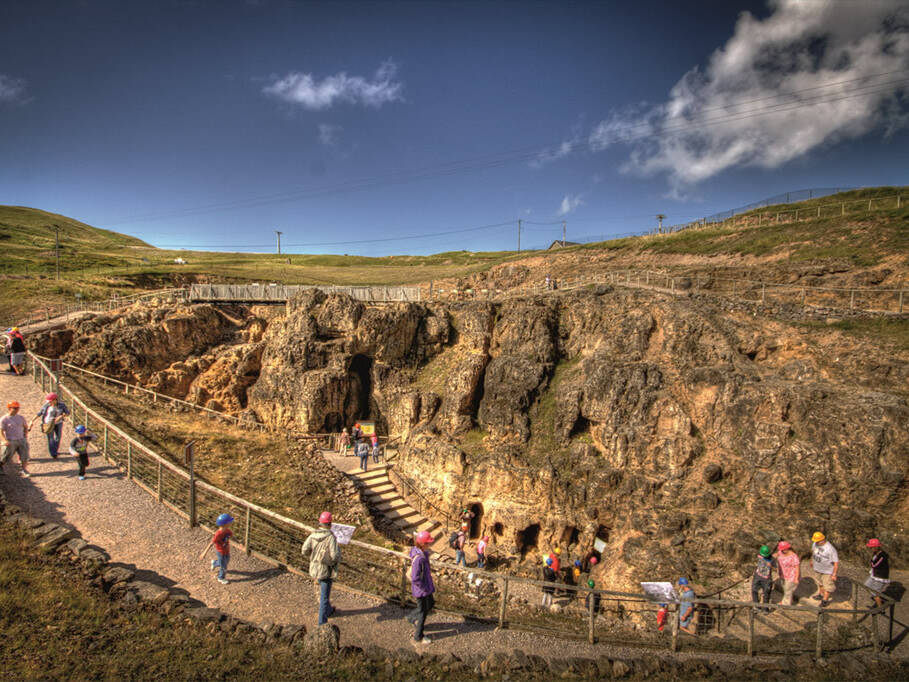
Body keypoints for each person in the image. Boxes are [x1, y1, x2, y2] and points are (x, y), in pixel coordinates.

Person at [301, 511, 341, 626]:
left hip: (314, 568)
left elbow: (304, 550)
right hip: (325, 570)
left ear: (320, 522)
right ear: (330, 524)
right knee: (324, 596)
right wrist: (332, 560)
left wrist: (313, 556)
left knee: (324, 592)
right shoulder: (330, 538)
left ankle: (328, 610)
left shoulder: (313, 535)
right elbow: (334, 556)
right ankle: (322, 624)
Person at [407, 530, 435, 644]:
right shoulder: (419, 559)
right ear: (423, 544)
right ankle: (418, 636)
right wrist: (423, 588)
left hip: (426, 587)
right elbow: (415, 578)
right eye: (428, 543)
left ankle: (412, 618)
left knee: (431, 603)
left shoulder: (422, 554)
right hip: (422, 590)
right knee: (423, 612)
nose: (430, 544)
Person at [29, 393, 69, 458]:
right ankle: (53, 453)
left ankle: (55, 449)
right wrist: (32, 420)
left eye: (50, 401)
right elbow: (40, 413)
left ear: (55, 400)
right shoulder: (46, 405)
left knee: (58, 437)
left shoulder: (62, 405)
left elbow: (67, 413)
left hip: (58, 423)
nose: (49, 403)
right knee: (50, 438)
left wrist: (61, 416)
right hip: (48, 423)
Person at [200, 513, 234, 585]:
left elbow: (231, 536)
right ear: (225, 524)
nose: (231, 523)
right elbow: (211, 543)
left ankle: (215, 563)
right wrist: (204, 552)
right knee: (224, 566)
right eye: (229, 521)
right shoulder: (218, 534)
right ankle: (221, 578)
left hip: (226, 550)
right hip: (221, 552)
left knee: (226, 561)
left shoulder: (227, 531)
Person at [0, 400, 31, 477]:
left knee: (25, 455)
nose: (17, 409)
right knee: (6, 456)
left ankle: (24, 470)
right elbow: (0, 431)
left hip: (21, 439)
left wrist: (25, 435)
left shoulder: (21, 418)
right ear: (9, 408)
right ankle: (0, 467)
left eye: (17, 408)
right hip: (10, 440)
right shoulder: (4, 419)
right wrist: (4, 440)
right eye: (15, 408)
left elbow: (25, 427)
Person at [810, 532, 838, 607]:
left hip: (827, 571)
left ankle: (824, 600)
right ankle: (821, 594)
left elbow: (835, 562)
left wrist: (834, 574)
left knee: (828, 586)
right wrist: (811, 560)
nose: (816, 542)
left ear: (822, 540)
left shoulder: (830, 549)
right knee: (819, 582)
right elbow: (813, 553)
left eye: (818, 541)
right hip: (817, 568)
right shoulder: (815, 544)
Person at [865, 538, 890, 608]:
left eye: (871, 547)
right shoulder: (875, 553)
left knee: (875, 593)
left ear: (876, 547)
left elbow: (874, 565)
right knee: (866, 585)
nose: (871, 549)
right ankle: (878, 599)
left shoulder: (882, 556)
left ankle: (880, 608)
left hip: (880, 576)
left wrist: (871, 562)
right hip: (874, 574)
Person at [776, 541, 801, 606]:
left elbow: (797, 567)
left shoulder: (794, 556)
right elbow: (777, 555)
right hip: (783, 574)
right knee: (785, 588)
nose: (781, 550)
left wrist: (796, 578)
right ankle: (788, 600)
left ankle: (786, 604)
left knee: (788, 590)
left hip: (791, 576)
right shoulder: (780, 552)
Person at [752, 545, 776, 611]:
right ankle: (756, 606)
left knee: (766, 593)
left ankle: (765, 608)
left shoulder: (772, 559)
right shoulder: (759, 554)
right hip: (758, 575)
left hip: (767, 578)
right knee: (754, 590)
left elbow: (777, 569)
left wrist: (771, 566)